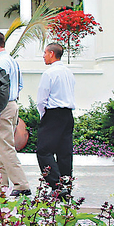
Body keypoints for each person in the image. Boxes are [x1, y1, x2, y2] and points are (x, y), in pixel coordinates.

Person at [0, 32, 30, 197]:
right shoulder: (13, 61)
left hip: (3, 107)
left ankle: (21, 184)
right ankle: (0, 185)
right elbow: (19, 85)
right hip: (12, 105)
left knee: (6, 148)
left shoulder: (1, 62)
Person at [34, 42, 76, 196]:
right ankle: (66, 183)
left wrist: (43, 115)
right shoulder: (68, 73)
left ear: (52, 53)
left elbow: (41, 98)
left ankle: (56, 184)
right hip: (68, 114)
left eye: (45, 53)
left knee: (43, 151)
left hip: (53, 114)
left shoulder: (49, 73)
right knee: (64, 151)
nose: (43, 56)